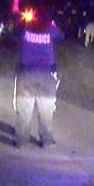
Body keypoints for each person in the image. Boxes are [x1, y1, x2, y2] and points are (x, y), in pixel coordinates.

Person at [14, 10, 63, 148]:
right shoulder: (51, 29)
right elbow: (62, 35)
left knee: (24, 110)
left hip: (26, 74)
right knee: (46, 110)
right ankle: (46, 140)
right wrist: (53, 24)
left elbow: (15, 27)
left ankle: (21, 140)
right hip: (46, 76)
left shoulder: (25, 28)